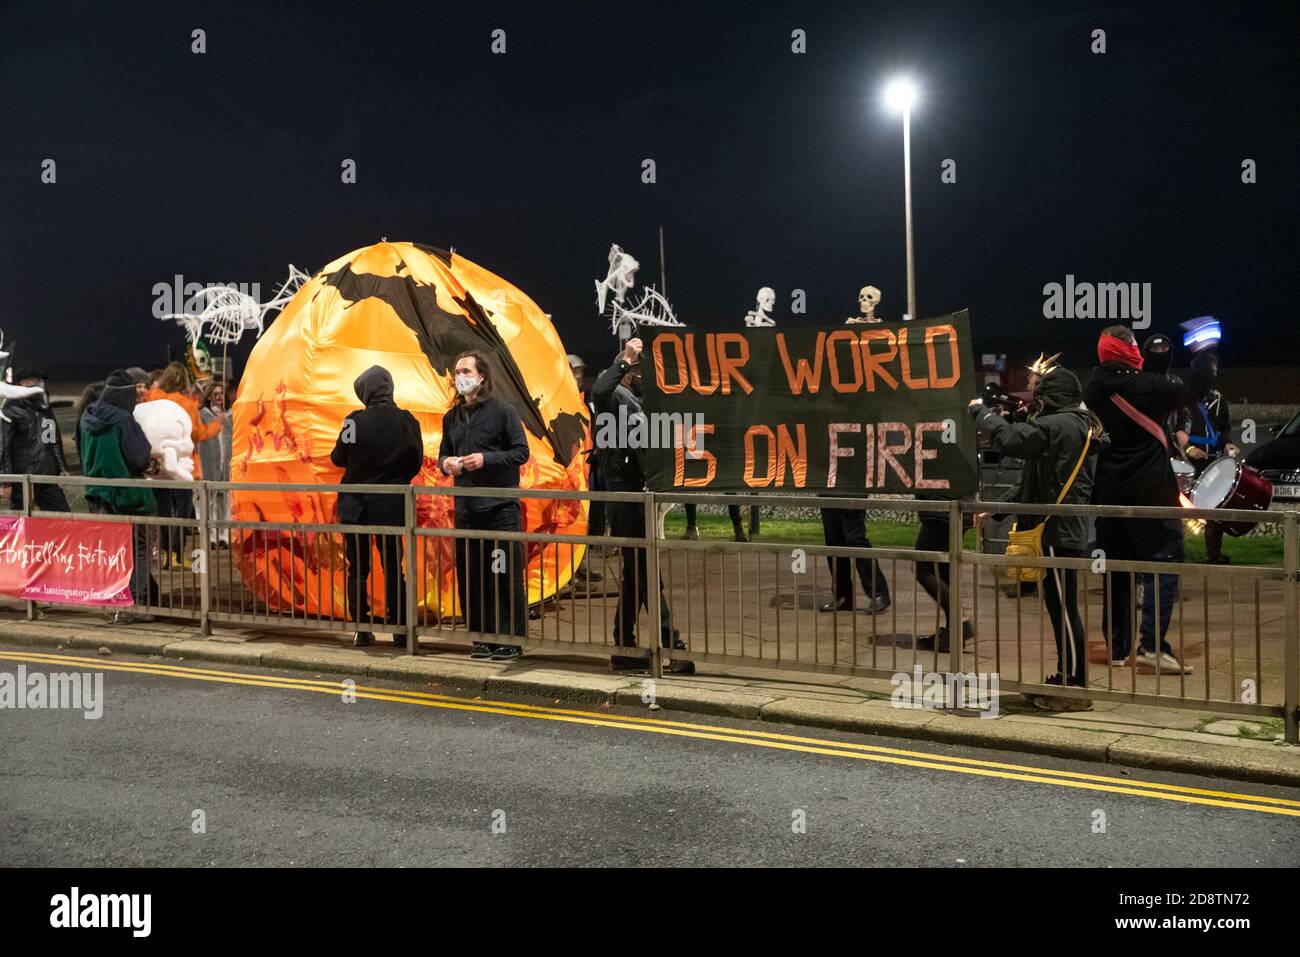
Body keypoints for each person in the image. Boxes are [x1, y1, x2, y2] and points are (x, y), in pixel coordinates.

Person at [972, 364, 1100, 710]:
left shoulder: (1060, 424)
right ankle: (1066, 678)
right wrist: (997, 509)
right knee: (1059, 606)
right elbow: (1037, 482)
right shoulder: (1074, 424)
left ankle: (1074, 688)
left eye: (1040, 396)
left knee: (1064, 606)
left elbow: (1015, 441)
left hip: (1059, 529)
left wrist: (983, 415)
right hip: (1060, 528)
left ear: (1052, 397)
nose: (1036, 403)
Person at [1086, 325, 1211, 675]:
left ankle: (1118, 646)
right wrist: (1204, 354)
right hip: (1150, 494)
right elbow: (1196, 388)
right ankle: (1153, 646)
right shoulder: (1148, 387)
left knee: (1118, 570)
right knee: (1163, 562)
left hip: (1109, 493)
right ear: (1129, 349)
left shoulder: (1093, 387)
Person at [591, 337, 693, 673]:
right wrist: (625, 357)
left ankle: (623, 646)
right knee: (646, 570)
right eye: (636, 368)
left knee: (637, 571)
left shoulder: (639, 400)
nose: (639, 373)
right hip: (623, 494)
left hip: (639, 491)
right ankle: (669, 644)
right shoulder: (612, 396)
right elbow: (598, 391)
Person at [438, 351, 531, 661]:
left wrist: (486, 459)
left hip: (500, 507)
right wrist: (447, 463)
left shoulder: (503, 411)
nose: (458, 376)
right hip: (466, 507)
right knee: (472, 574)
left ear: (482, 377)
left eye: (465, 370)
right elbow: (443, 455)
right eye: (456, 371)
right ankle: (480, 636)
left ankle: (510, 638)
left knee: (503, 573)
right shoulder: (451, 417)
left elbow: (520, 452)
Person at [331, 366, 424, 648]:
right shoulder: (407, 421)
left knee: (358, 568)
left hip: (355, 507)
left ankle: (362, 627)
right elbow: (415, 460)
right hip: (392, 506)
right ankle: (399, 628)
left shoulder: (353, 422)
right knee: (394, 567)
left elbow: (338, 458)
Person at [79, 370, 158, 622]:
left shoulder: (86, 415)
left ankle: (115, 601)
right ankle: (134, 604)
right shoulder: (123, 419)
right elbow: (139, 456)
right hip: (126, 496)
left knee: (113, 552)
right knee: (140, 548)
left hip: (96, 494)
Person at [143, 362, 227, 566]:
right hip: (180, 466)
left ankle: (165, 554)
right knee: (182, 512)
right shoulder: (187, 404)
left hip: (156, 465)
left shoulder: (151, 398)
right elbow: (197, 434)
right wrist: (218, 424)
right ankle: (178, 554)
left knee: (163, 511)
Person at [1178, 353, 1235, 564]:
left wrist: (1227, 443)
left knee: (1215, 506)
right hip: (1188, 461)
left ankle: (1213, 553)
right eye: (1212, 369)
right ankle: (1176, 551)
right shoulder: (1183, 398)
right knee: (1182, 509)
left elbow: (1224, 428)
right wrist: (1190, 448)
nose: (1215, 373)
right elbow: (1174, 429)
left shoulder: (1218, 400)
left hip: (1213, 460)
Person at [1, 369, 70, 512]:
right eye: (35, 380)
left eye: (40, 380)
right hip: (23, 477)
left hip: (47, 476)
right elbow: (3, 447)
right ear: (23, 383)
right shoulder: (10, 410)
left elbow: (53, 439)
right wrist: (5, 482)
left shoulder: (44, 408)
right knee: (22, 519)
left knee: (62, 515)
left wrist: (62, 467)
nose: (40, 383)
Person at [568, 354, 603, 584]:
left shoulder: (584, 398)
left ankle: (578, 565)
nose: (579, 375)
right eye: (574, 370)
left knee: (584, 519)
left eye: (580, 371)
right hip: (568, 470)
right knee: (569, 521)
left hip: (586, 467)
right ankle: (567, 570)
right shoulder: (561, 399)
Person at [199, 380, 233, 547]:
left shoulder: (231, 414)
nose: (218, 397)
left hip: (226, 462)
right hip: (209, 462)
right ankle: (212, 534)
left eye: (221, 394)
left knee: (225, 499)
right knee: (211, 499)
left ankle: (224, 534)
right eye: (215, 394)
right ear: (210, 396)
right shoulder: (203, 414)